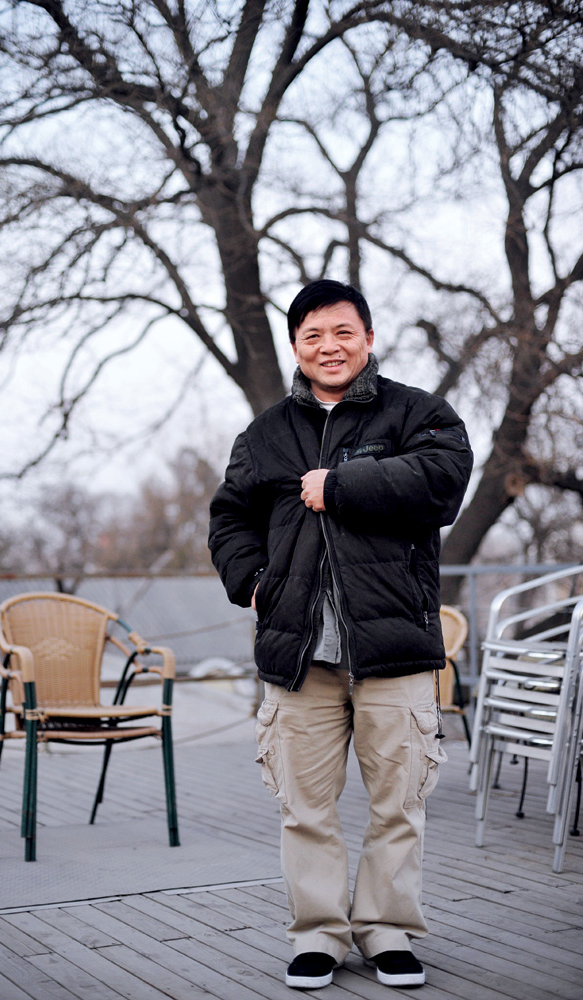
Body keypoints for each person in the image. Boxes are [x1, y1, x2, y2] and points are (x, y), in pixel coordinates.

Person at [208, 279, 473, 990]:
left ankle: (387, 931)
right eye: (313, 336)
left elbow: (442, 482)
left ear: (368, 337)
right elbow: (229, 517)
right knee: (304, 809)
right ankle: (318, 935)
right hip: (301, 654)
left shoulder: (419, 413)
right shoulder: (264, 435)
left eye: (342, 332)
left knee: (399, 805)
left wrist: (340, 485)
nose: (329, 346)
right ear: (296, 346)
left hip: (394, 648)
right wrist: (253, 582)